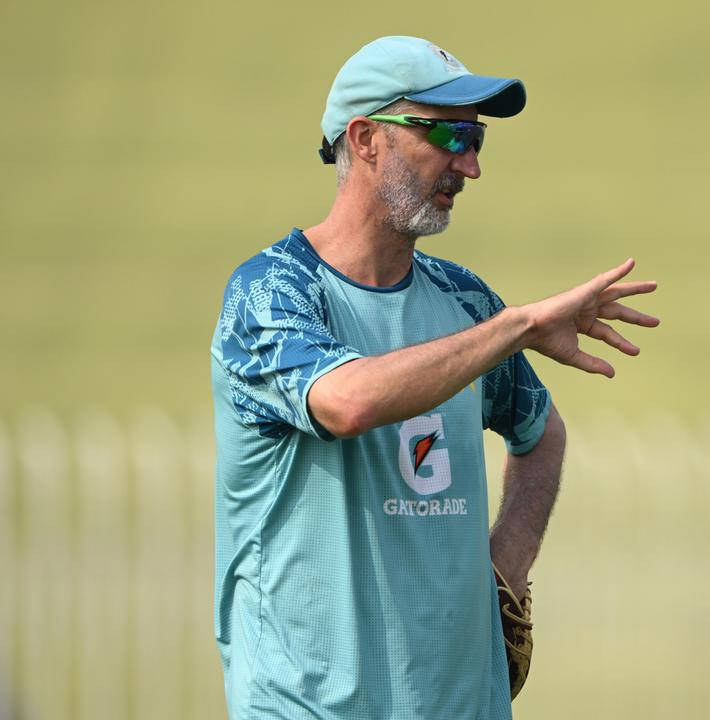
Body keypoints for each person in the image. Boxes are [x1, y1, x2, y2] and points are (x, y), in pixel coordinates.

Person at [209, 36, 658, 720]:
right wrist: (517, 327)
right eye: (447, 132)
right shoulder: (270, 293)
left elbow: (541, 434)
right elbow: (347, 400)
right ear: (364, 139)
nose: (470, 164)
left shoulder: (462, 301)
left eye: (477, 137)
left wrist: (505, 569)